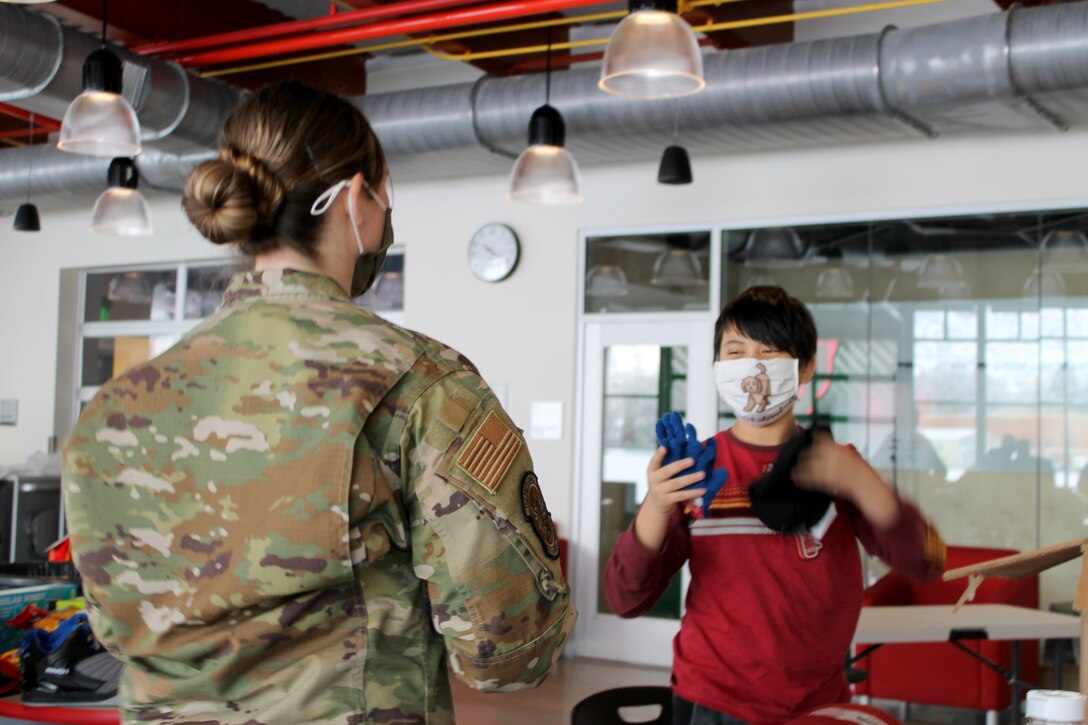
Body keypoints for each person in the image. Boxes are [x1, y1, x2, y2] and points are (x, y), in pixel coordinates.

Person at [62, 81, 575, 724]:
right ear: (358, 200)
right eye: (387, 198)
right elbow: (506, 651)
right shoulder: (420, 385)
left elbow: (113, 629)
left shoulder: (114, 407)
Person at [604, 285, 946, 725]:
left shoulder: (839, 466)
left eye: (769, 351)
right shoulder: (693, 470)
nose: (752, 365)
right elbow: (625, 597)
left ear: (805, 369)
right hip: (711, 699)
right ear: (717, 367)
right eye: (736, 351)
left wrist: (863, 485)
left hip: (817, 702)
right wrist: (657, 504)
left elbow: (926, 563)